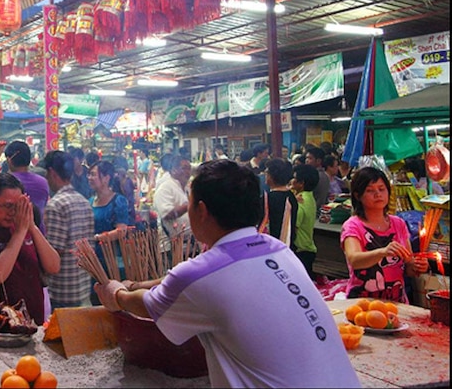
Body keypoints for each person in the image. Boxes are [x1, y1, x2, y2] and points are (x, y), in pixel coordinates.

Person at [94, 159, 360, 389]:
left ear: (201, 210)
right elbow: (189, 277)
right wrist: (138, 283)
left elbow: (145, 305)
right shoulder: (277, 249)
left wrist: (116, 293)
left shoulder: (201, 275)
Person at [0, 173, 60, 325]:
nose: (13, 212)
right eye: (8, 206)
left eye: (18, 205)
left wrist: (31, 226)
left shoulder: (22, 227)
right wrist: (20, 232)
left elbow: (53, 266)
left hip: (32, 322)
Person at [341, 167, 429, 303]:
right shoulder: (353, 225)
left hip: (396, 302)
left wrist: (417, 266)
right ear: (358, 195)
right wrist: (383, 252)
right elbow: (354, 260)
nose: (377, 194)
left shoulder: (398, 223)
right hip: (362, 304)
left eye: (381, 189)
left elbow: (407, 265)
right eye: (370, 190)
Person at [41, 150, 95, 308]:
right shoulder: (84, 202)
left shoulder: (56, 205)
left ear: (51, 172)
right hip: (83, 286)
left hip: (62, 289)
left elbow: (55, 251)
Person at [88, 160, 132, 305]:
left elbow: (121, 231)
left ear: (106, 178)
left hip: (112, 259)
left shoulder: (118, 201)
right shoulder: (90, 201)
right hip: (93, 259)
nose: (90, 178)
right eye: (89, 174)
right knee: (95, 297)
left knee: (112, 299)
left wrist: (98, 238)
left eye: (94, 174)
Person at [3, 140, 51, 233]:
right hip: (38, 235)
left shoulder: (5, 182)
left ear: (9, 160)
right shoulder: (43, 182)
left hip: (12, 235)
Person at [290, 164, 320, 280]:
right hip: (308, 247)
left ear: (301, 183)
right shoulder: (309, 197)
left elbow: (294, 228)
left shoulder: (300, 201)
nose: (291, 181)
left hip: (301, 250)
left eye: (294, 178)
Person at [152, 153, 191, 236]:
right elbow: (167, 214)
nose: (188, 172)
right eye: (184, 168)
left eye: (189, 169)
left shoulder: (187, 188)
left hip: (189, 242)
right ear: (173, 170)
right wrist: (190, 205)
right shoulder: (165, 188)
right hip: (172, 243)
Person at [264, 158, 298, 249]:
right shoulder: (291, 196)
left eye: (266, 173)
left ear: (271, 176)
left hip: (271, 244)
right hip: (287, 243)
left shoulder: (268, 198)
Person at [305, 146, 330, 215]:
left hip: (314, 212)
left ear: (318, 161)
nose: (306, 160)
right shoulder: (325, 175)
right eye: (306, 158)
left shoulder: (316, 176)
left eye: (310, 158)